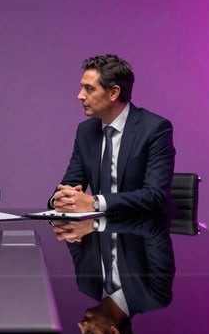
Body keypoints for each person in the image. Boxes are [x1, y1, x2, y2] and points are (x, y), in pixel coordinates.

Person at [49, 53, 177, 241]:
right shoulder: (85, 131)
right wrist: (60, 199)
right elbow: (71, 183)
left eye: (89, 89)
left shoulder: (155, 129)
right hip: (97, 237)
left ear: (113, 93)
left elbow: (155, 196)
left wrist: (95, 202)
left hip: (142, 237)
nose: (80, 96)